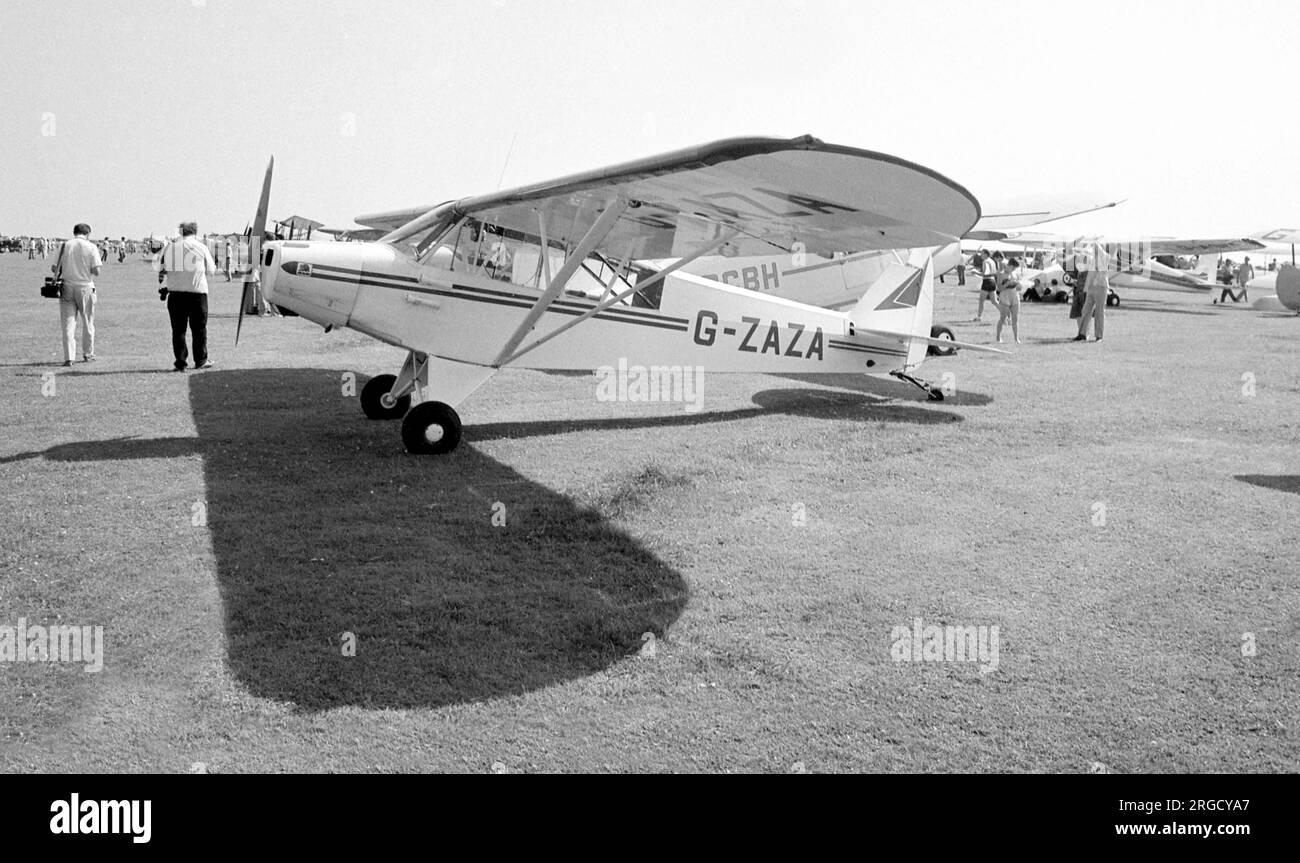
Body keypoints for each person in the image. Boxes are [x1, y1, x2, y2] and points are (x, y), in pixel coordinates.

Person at [157, 221, 216, 371]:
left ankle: (181, 361)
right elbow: (212, 269)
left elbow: (162, 270)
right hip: (197, 293)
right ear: (195, 232)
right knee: (199, 329)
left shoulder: (170, 248)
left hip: (176, 294)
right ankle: (201, 360)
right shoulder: (201, 247)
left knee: (178, 330)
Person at [53, 223, 103, 366]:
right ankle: (88, 353)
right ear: (87, 234)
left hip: (67, 287)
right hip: (85, 287)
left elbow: (54, 267)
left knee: (68, 324)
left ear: (74, 232)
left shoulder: (65, 245)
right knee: (88, 322)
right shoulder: (91, 247)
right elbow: (96, 271)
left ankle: (69, 357)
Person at [1073, 244, 1108, 341]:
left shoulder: (1103, 258)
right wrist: (1086, 288)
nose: (1094, 249)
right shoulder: (1093, 259)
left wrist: (1096, 281)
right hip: (1091, 288)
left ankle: (1099, 336)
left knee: (1099, 312)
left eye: (1095, 247)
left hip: (1101, 286)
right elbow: (1090, 275)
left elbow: (1102, 273)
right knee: (1085, 310)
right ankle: (1082, 334)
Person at [994, 256, 1022, 344]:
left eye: (1015, 268)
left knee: (1015, 319)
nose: (1013, 269)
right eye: (1013, 267)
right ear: (1009, 265)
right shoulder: (1001, 274)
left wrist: (1018, 285)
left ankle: (1016, 338)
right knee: (1003, 318)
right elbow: (999, 288)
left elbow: (1019, 288)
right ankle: (998, 337)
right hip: (1004, 297)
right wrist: (1007, 284)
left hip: (1014, 296)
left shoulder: (1015, 274)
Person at [975, 249, 998, 321]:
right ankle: (1006, 314)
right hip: (993, 281)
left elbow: (985, 273)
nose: (981, 256)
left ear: (985, 254)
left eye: (982, 254)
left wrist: (975, 272)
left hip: (987, 281)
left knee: (981, 300)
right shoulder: (992, 261)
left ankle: (979, 317)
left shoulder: (985, 261)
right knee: (994, 301)